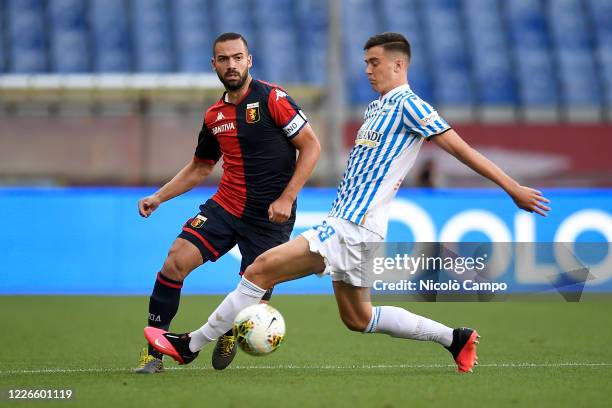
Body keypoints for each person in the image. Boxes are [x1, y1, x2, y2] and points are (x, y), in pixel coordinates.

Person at [144, 32, 550, 373]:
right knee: (358, 318)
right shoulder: (378, 107)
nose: (368, 69)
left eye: (374, 62)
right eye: (366, 62)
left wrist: (510, 187)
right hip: (357, 227)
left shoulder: (410, 105)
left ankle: (190, 345)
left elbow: (460, 150)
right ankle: (455, 339)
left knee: (260, 268)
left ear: (398, 65)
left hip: (352, 225)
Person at [135, 32, 321, 373]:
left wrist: (287, 197)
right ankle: (154, 352)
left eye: (238, 57)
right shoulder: (213, 116)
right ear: (214, 65)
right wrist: (158, 196)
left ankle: (232, 329)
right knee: (175, 261)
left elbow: (311, 147)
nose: (231, 64)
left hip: (270, 216)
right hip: (227, 206)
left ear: (249, 60)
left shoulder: (274, 99)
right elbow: (201, 166)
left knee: (254, 291)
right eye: (224, 59)